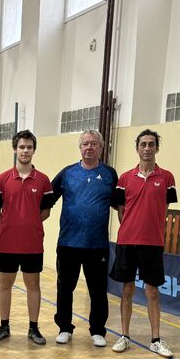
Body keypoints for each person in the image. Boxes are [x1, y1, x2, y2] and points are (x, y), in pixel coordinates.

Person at [111, 129, 178, 357]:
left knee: (152, 292)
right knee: (127, 289)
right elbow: (121, 211)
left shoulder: (167, 178)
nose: (147, 148)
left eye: (151, 144)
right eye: (143, 144)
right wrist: (132, 228)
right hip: (127, 242)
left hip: (153, 243)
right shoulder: (124, 179)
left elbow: (164, 209)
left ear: (156, 148)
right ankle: (124, 336)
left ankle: (156, 340)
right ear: (137, 148)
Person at [50, 130, 118, 347]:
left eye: (94, 143)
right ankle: (64, 328)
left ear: (101, 147)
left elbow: (121, 205)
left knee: (97, 290)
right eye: (86, 143)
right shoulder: (67, 173)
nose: (89, 147)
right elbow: (47, 199)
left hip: (97, 245)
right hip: (68, 242)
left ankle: (97, 330)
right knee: (65, 288)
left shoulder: (109, 174)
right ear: (80, 147)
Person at [0, 130, 53, 345]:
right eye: (22, 147)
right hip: (6, 244)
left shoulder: (43, 181)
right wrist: (8, 225)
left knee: (33, 285)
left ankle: (33, 328)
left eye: (29, 147)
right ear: (15, 149)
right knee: (5, 285)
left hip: (33, 245)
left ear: (34, 150)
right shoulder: (1, 179)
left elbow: (45, 212)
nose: (25, 151)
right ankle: (4, 325)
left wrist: (29, 224)